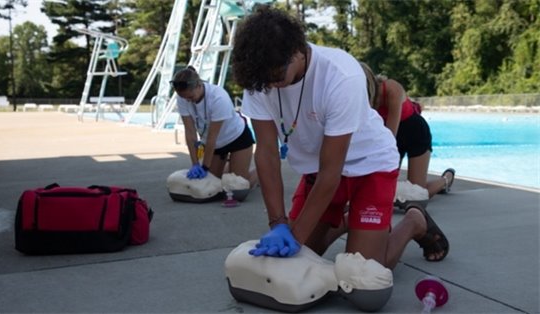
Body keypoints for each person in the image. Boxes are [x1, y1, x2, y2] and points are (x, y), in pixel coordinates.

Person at [231, 5, 449, 280]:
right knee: (297, 259)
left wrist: (296, 236)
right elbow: (266, 153)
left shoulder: (340, 75)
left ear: (297, 51)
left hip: (369, 166)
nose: (271, 87)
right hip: (317, 170)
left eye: (277, 77)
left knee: (363, 276)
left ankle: (413, 223)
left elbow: (331, 172)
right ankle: (349, 222)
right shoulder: (261, 78)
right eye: (264, 83)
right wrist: (278, 224)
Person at [360, 62, 455, 198]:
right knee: (382, 188)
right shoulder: (361, 99)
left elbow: (390, 138)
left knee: (416, 193)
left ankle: (446, 179)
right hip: (391, 136)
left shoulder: (391, 88)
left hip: (414, 134)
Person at [171, 66, 257, 188]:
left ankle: (261, 171)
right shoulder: (183, 96)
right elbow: (190, 132)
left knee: (237, 185)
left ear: (199, 85)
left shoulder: (218, 98)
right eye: (184, 98)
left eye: (190, 97)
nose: (188, 101)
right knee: (213, 184)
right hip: (216, 145)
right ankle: (231, 166)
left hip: (237, 138)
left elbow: (212, 137)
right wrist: (195, 164)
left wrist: (205, 167)